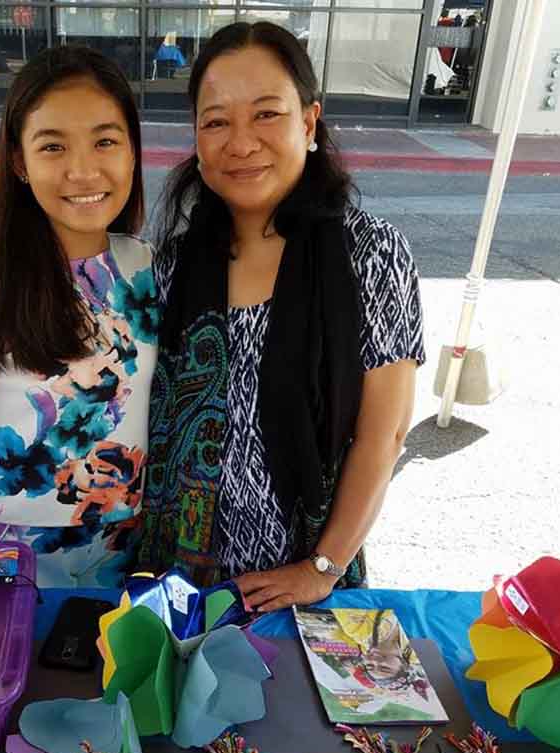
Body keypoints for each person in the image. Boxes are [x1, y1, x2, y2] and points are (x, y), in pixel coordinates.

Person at [139, 22, 423, 610]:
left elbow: (384, 434)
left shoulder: (370, 255)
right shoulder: (172, 264)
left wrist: (321, 570)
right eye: (216, 121)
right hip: (178, 584)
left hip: (300, 586)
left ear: (310, 122)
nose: (240, 143)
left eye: (266, 114)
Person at [0, 46, 158, 589]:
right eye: (53, 146)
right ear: (19, 162)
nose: (83, 169)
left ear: (133, 152)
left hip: (139, 551)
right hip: (16, 562)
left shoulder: (153, 271)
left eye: (106, 141)